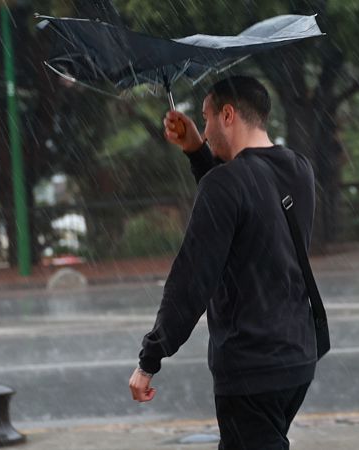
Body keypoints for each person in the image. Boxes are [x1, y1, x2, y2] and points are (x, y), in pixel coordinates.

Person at [128, 76, 319, 450]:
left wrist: (150, 358)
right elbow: (244, 203)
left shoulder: (225, 184)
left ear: (227, 115)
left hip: (250, 363)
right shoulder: (300, 168)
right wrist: (196, 150)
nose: (204, 129)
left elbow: (191, 280)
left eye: (206, 118)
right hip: (296, 356)